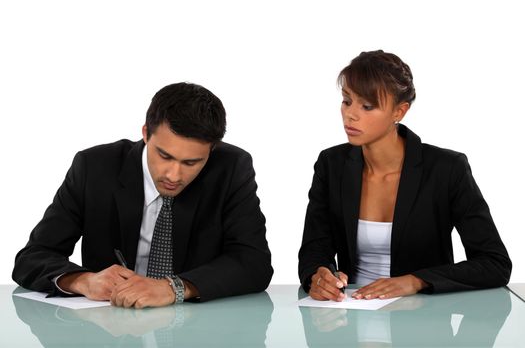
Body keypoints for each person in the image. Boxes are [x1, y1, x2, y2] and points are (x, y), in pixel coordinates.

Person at [13, 82, 273, 308]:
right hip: (112, 328)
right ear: (146, 133)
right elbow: (32, 257)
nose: (173, 175)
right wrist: (84, 282)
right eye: (164, 155)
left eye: (191, 162)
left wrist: (173, 288)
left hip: (196, 327)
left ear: (212, 150)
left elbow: (254, 263)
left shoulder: (231, 169)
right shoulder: (94, 167)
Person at [298, 50, 511, 301]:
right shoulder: (331, 164)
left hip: (421, 322)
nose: (350, 114)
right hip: (350, 315)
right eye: (347, 101)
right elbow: (314, 249)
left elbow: (494, 263)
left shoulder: (446, 169)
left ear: (399, 112)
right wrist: (319, 275)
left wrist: (417, 281)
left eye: (367, 106)